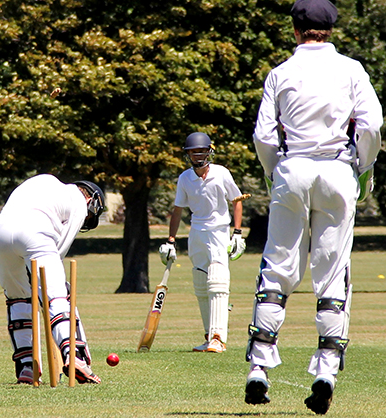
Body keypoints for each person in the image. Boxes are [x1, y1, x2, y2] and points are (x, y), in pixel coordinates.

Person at [244, 0, 383, 413]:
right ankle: (326, 369)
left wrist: (274, 173)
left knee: (279, 267)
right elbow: (372, 125)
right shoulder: (352, 69)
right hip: (337, 171)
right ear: (331, 30)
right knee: (331, 271)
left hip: (293, 169)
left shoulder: (280, 72)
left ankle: (258, 368)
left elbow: (264, 136)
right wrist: (364, 166)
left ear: (295, 30)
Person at [0, 174, 105, 385]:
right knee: (57, 297)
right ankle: (75, 357)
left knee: (18, 299)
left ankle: (26, 366)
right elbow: (58, 251)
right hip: (34, 231)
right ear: (91, 199)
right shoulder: (78, 200)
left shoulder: (45, 184)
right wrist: (51, 289)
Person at [159, 132, 245, 354]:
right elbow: (178, 210)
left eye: (202, 150)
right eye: (193, 151)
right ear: (187, 154)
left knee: (217, 281)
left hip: (218, 232)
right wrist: (171, 240)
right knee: (200, 282)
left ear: (209, 151)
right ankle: (208, 337)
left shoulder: (222, 173)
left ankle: (219, 338)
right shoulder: (185, 178)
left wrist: (236, 232)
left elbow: (236, 201)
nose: (198, 155)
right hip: (196, 232)